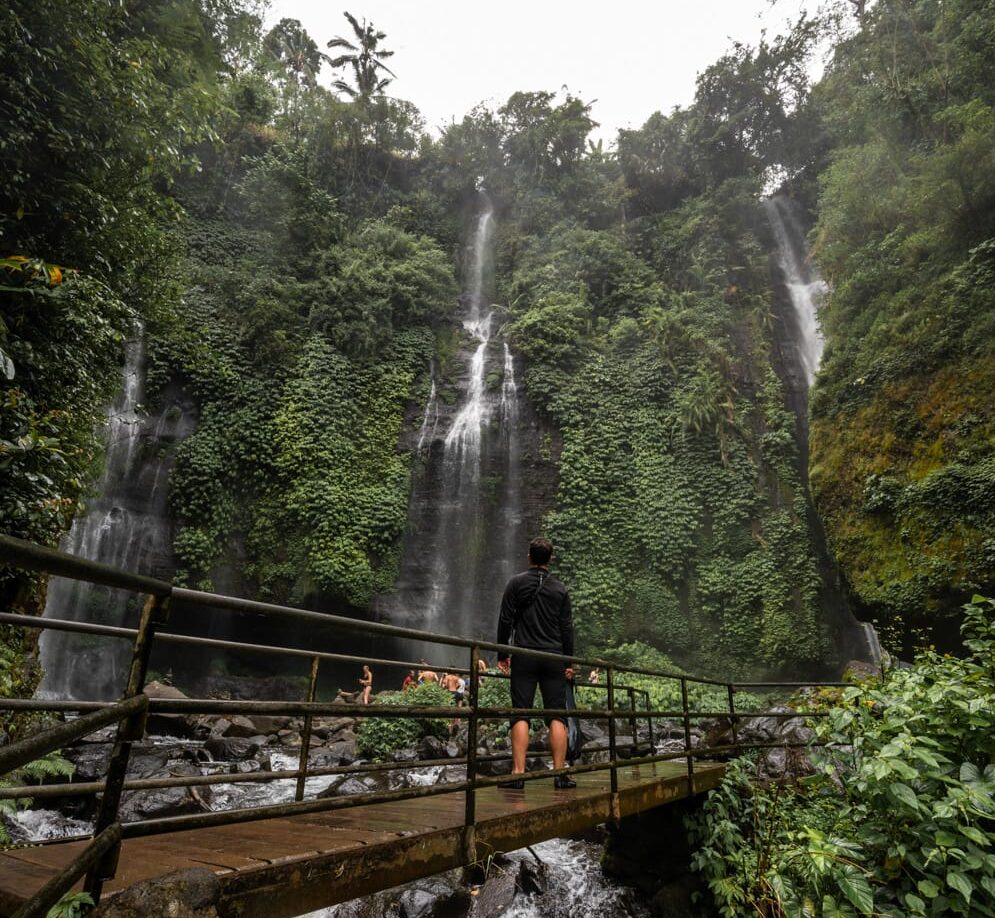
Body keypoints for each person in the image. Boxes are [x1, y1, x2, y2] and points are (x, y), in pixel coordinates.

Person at [496, 536, 576, 790]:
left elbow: (505, 620)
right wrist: (569, 661)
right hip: (554, 656)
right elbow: (567, 629)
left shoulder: (516, 583)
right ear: (550, 559)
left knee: (521, 711)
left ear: (529, 557)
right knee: (557, 715)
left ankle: (518, 775)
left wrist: (502, 653)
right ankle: (560, 774)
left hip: (525, 654)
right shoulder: (560, 589)